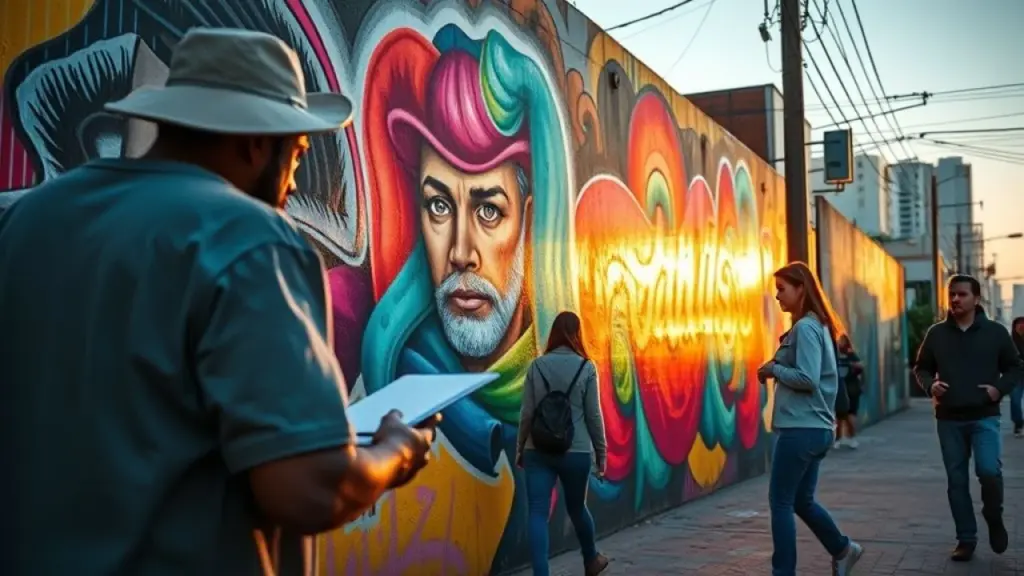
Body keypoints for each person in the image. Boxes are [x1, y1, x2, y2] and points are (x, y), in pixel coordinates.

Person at [0, 28, 438, 576]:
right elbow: (308, 490)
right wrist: (394, 451)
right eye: (298, 155)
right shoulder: (249, 237)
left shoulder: (24, 222)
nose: (293, 182)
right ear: (257, 143)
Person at [757, 261, 864, 576]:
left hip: (800, 429)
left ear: (801, 288)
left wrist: (772, 369)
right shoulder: (814, 326)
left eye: (782, 289)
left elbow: (807, 377)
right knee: (802, 500)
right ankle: (843, 550)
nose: (777, 296)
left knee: (781, 502)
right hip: (815, 429)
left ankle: (784, 572)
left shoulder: (805, 327)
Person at [914, 275, 1023, 562]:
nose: (955, 300)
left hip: (984, 417)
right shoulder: (937, 334)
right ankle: (966, 539)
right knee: (957, 480)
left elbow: (1015, 367)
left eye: (962, 294)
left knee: (989, 471)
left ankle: (993, 514)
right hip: (948, 419)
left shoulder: (996, 333)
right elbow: (921, 368)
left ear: (976, 299)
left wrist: (998, 390)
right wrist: (930, 386)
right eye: (951, 294)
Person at [516, 311, 609, 576]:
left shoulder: (536, 366)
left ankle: (541, 574)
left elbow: (527, 413)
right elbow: (593, 415)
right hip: (576, 450)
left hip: (539, 449)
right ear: (577, 334)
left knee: (537, 513)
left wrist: (521, 448)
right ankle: (591, 559)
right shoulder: (586, 367)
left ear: (554, 333)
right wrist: (601, 453)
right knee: (578, 508)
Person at [834, 335, 864, 449]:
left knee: (849, 416)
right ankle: (839, 439)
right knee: (839, 416)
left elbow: (860, 366)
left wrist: (852, 364)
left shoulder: (851, 356)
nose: (839, 343)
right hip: (841, 389)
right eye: (839, 341)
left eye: (842, 341)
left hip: (851, 390)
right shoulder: (835, 356)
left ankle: (851, 438)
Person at [1010, 316, 1024, 438]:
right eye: (1018, 324)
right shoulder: (1010, 341)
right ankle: (1018, 424)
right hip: (1016, 375)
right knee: (1015, 400)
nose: (1021, 327)